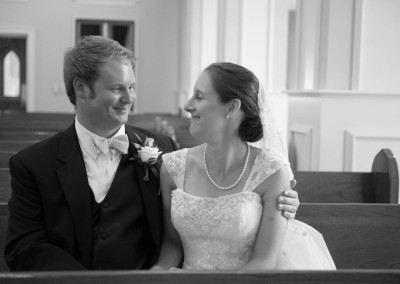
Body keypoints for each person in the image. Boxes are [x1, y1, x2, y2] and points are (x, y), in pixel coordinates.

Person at [4, 36, 299, 271]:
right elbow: (24, 247)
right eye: (118, 88)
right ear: (82, 89)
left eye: (132, 87)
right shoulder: (33, 164)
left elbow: (216, 198)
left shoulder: (165, 151)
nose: (130, 99)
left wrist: (283, 201)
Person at [152, 62, 336, 270]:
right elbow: (172, 244)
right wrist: (157, 273)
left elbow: (264, 262)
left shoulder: (271, 172)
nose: (187, 105)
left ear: (231, 107)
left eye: (200, 96)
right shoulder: (172, 167)